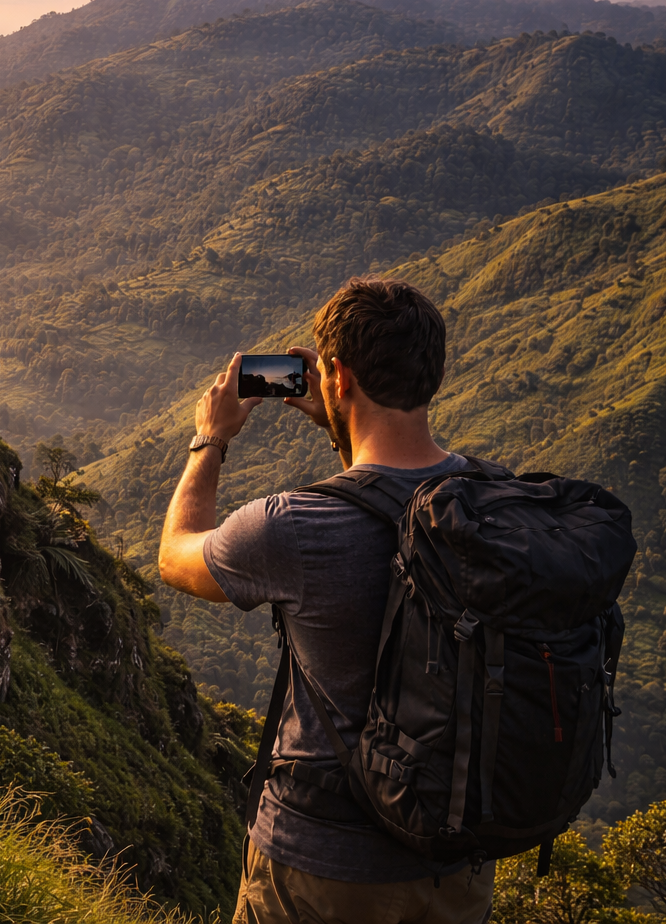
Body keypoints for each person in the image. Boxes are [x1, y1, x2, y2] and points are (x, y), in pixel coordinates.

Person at [157, 277, 494, 924]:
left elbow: (176, 555)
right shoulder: (495, 499)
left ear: (336, 376)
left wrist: (210, 439)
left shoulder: (293, 528)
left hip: (321, 870)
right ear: (434, 372)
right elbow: (389, 486)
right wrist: (340, 422)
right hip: (458, 871)